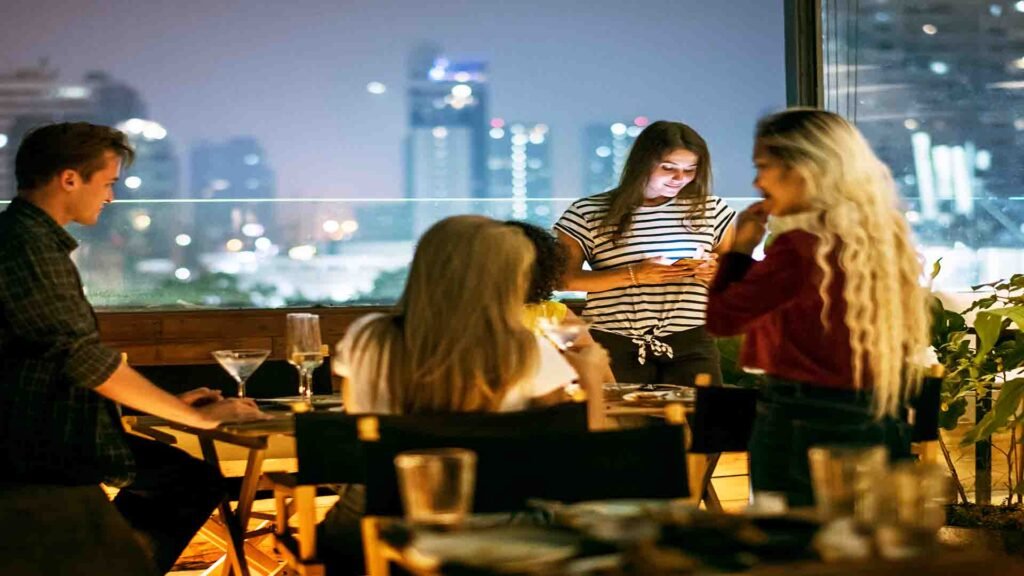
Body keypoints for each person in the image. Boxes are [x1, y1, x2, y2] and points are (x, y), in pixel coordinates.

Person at [0, 122, 266, 573]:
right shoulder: (26, 247)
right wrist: (193, 417)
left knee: (186, 481)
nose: (110, 198)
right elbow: (79, 357)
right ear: (69, 179)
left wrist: (166, 406)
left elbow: (55, 359)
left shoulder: (33, 241)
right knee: (185, 483)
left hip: (52, 435)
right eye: (106, 183)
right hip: (37, 448)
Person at [319, 215, 611, 575]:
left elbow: (357, 425)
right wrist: (591, 376)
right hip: (504, 535)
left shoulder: (368, 337)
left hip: (371, 529)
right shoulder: (530, 350)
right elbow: (582, 459)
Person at [705, 108, 931, 506]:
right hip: (877, 414)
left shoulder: (801, 248)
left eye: (764, 167)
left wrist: (740, 249)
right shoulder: (881, 239)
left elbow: (723, 318)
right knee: (859, 545)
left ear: (806, 169)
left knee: (794, 548)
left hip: (801, 417)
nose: (757, 183)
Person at [555, 120, 736, 386]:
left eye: (690, 170)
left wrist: (711, 273)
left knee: (704, 423)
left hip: (692, 339)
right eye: (668, 168)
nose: (680, 179)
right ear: (643, 163)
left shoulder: (712, 210)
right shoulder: (588, 212)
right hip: (615, 340)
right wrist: (634, 275)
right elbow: (563, 279)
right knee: (625, 422)